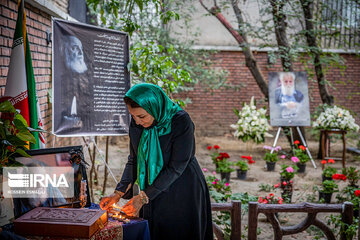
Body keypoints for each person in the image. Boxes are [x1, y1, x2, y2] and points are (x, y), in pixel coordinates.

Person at [100, 83, 213, 240]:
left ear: (155, 107)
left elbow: (176, 167)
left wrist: (143, 197)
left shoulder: (180, 121)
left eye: (141, 116)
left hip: (183, 187)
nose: (137, 122)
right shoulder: (137, 123)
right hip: (152, 189)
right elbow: (134, 160)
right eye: (133, 116)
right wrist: (117, 193)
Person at [55, 34, 92, 133]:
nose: (80, 53)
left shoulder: (85, 76)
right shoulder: (60, 77)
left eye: (81, 48)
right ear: (64, 51)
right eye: (75, 48)